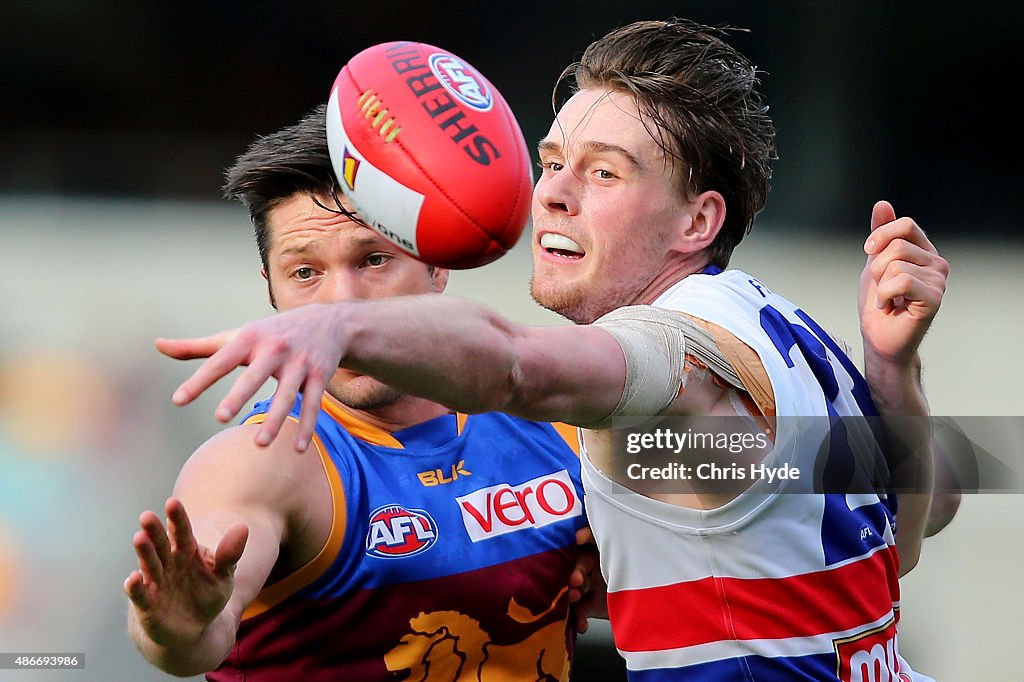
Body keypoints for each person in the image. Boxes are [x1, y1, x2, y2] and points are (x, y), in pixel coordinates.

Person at [159, 19, 951, 680]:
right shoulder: (778, 326)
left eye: (603, 172)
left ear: (696, 222)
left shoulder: (664, 362)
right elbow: (920, 521)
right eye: (552, 163)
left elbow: (512, 363)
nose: (554, 193)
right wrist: (894, 372)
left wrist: (337, 328)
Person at [124, 104, 603, 681]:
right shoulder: (265, 459)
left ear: (438, 264)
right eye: (304, 273)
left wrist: (636, 547)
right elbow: (200, 635)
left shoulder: (561, 411)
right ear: (272, 292)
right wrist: (177, 627)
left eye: (374, 259)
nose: (341, 304)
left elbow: (726, 493)